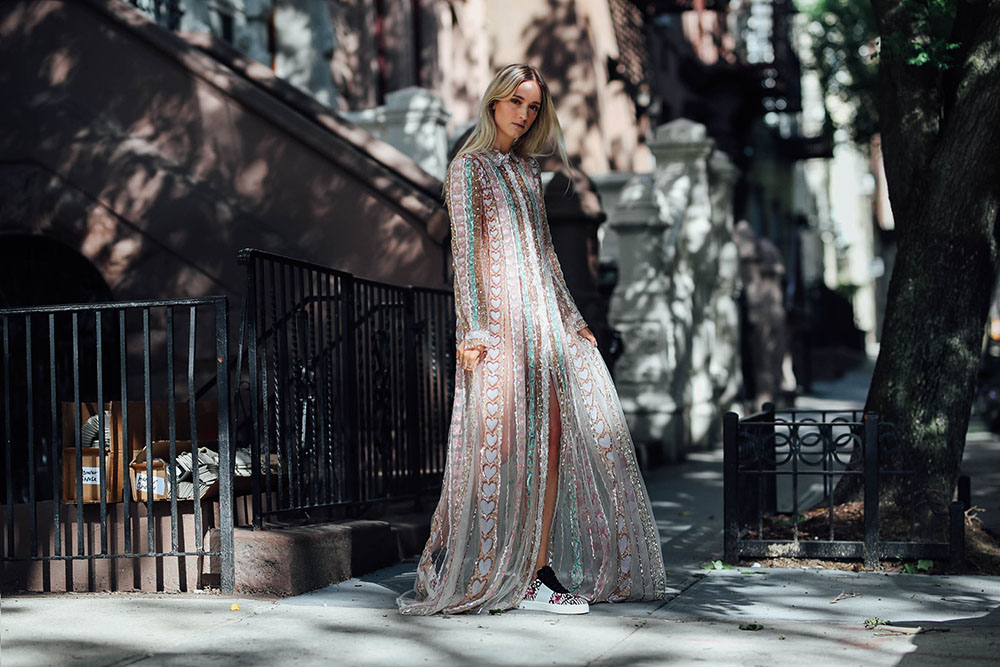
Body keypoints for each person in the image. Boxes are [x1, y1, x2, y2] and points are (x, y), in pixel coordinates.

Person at [397, 64, 666, 616]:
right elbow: (466, 256)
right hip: (497, 324)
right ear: (494, 102)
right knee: (501, 445)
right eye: (516, 102)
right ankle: (487, 566)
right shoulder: (467, 169)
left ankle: (535, 572)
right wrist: (471, 328)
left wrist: (570, 319)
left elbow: (545, 256)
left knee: (552, 439)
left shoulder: (526, 173)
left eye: (534, 107)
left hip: (542, 319)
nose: (524, 114)